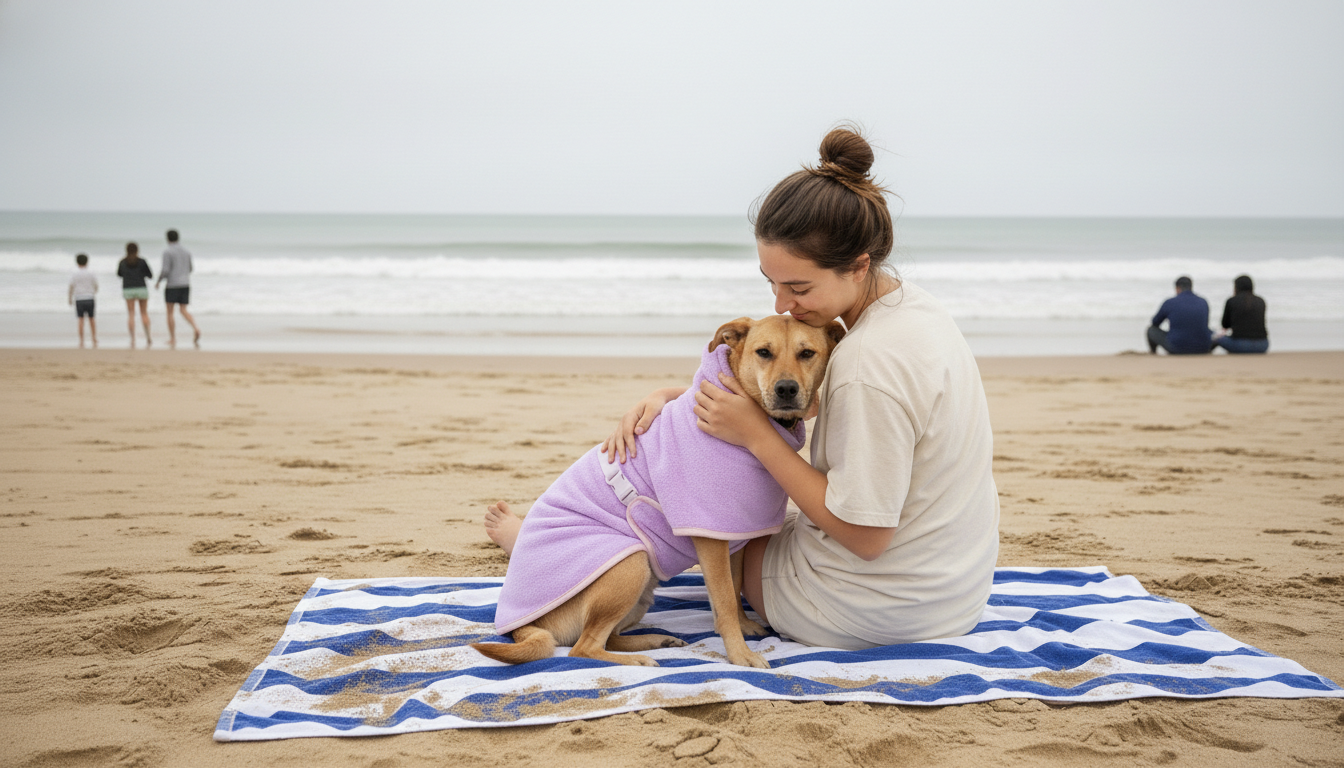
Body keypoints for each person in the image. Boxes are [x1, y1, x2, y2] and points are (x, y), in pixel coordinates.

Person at [484, 127, 1000, 650]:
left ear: (859, 264)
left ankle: (535, 544)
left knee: (732, 519)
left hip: (869, 608)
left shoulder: (865, 364)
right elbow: (821, 403)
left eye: (798, 288)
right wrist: (678, 399)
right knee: (741, 509)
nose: (780, 305)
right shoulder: (915, 310)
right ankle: (547, 552)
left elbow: (865, 537)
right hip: (956, 588)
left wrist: (756, 436)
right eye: (771, 282)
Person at [155, 229, 200, 349]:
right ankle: (195, 328)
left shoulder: (167, 252)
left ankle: (173, 338)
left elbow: (165, 270)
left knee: (170, 312)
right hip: (185, 283)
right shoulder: (186, 251)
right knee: (183, 310)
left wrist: (158, 281)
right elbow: (191, 268)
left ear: (167, 238)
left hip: (172, 285)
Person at [1147, 276, 1212, 355]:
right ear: (1191, 287)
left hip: (1177, 348)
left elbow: (1155, 322)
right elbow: (1205, 324)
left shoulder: (1170, 302)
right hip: (1203, 348)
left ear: (1177, 288)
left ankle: (1153, 352)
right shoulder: (1203, 302)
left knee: (1151, 330)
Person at [1214, 275, 1269, 354]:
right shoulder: (1260, 301)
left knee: (1216, 338)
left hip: (1240, 345)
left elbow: (1225, 324)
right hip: (1262, 345)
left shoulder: (1232, 301)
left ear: (1236, 287)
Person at [117, 242, 153, 349]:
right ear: (137, 250)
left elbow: (119, 274)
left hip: (128, 288)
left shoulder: (123, 262)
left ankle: (132, 338)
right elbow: (150, 275)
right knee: (144, 313)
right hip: (141, 288)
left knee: (131, 314)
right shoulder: (142, 262)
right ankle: (148, 337)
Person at [68, 253, 99, 349]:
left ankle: (81, 340)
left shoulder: (74, 273)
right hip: (90, 297)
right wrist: (94, 292)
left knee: (80, 320)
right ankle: (94, 338)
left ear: (77, 262)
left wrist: (69, 298)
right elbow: (96, 285)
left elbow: (71, 286)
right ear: (87, 261)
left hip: (79, 298)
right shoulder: (91, 272)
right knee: (91, 319)